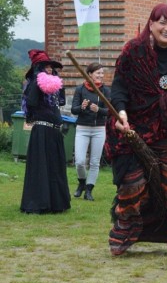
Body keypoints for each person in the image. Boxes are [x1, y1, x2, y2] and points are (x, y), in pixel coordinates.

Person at [105, 3, 167, 258]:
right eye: (162, 22)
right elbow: (119, 88)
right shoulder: (133, 52)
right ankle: (124, 234)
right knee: (132, 188)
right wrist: (121, 113)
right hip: (137, 133)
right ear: (151, 24)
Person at [20, 50, 71, 214]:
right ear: (40, 68)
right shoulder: (36, 83)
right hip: (41, 130)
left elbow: (61, 101)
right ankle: (38, 203)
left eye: (51, 67)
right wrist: (38, 83)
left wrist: (53, 86)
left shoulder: (55, 85)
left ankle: (56, 203)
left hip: (55, 131)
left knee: (55, 167)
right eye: (46, 66)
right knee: (41, 167)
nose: (50, 69)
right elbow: (32, 102)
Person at [70, 62, 110, 201]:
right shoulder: (80, 89)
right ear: (90, 74)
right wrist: (82, 107)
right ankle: (82, 182)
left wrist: (98, 110)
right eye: (98, 73)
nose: (100, 75)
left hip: (99, 129)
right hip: (82, 128)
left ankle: (89, 190)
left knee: (94, 162)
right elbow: (73, 110)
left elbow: (110, 111)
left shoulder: (105, 90)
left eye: (102, 73)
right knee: (80, 161)